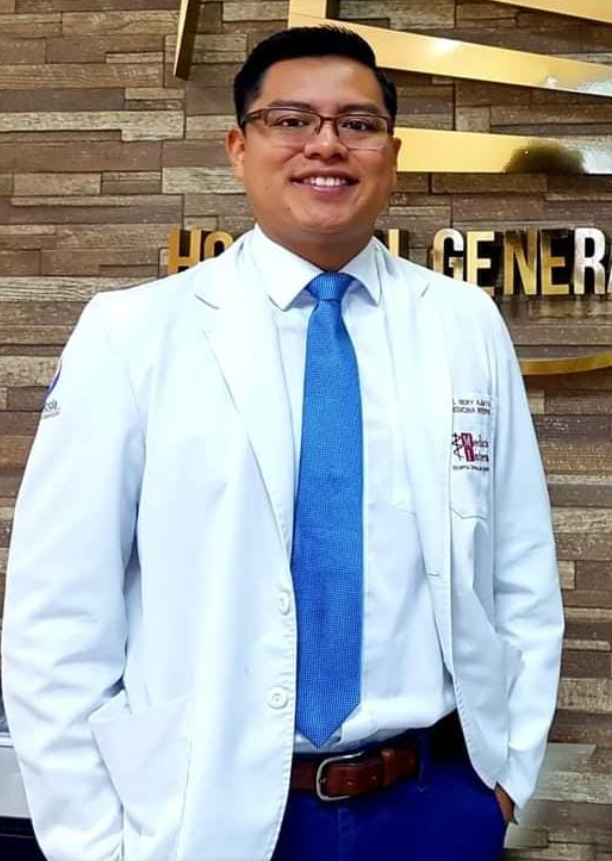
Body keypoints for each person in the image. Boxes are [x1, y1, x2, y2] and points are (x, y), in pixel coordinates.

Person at [1, 25, 564, 861]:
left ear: (392, 153)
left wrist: (506, 777)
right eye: (291, 120)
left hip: (434, 805)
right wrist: (91, 842)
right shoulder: (133, 334)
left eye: (357, 124)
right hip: (206, 813)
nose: (326, 145)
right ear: (239, 148)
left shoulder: (463, 323)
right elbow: (58, 616)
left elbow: (521, 569)